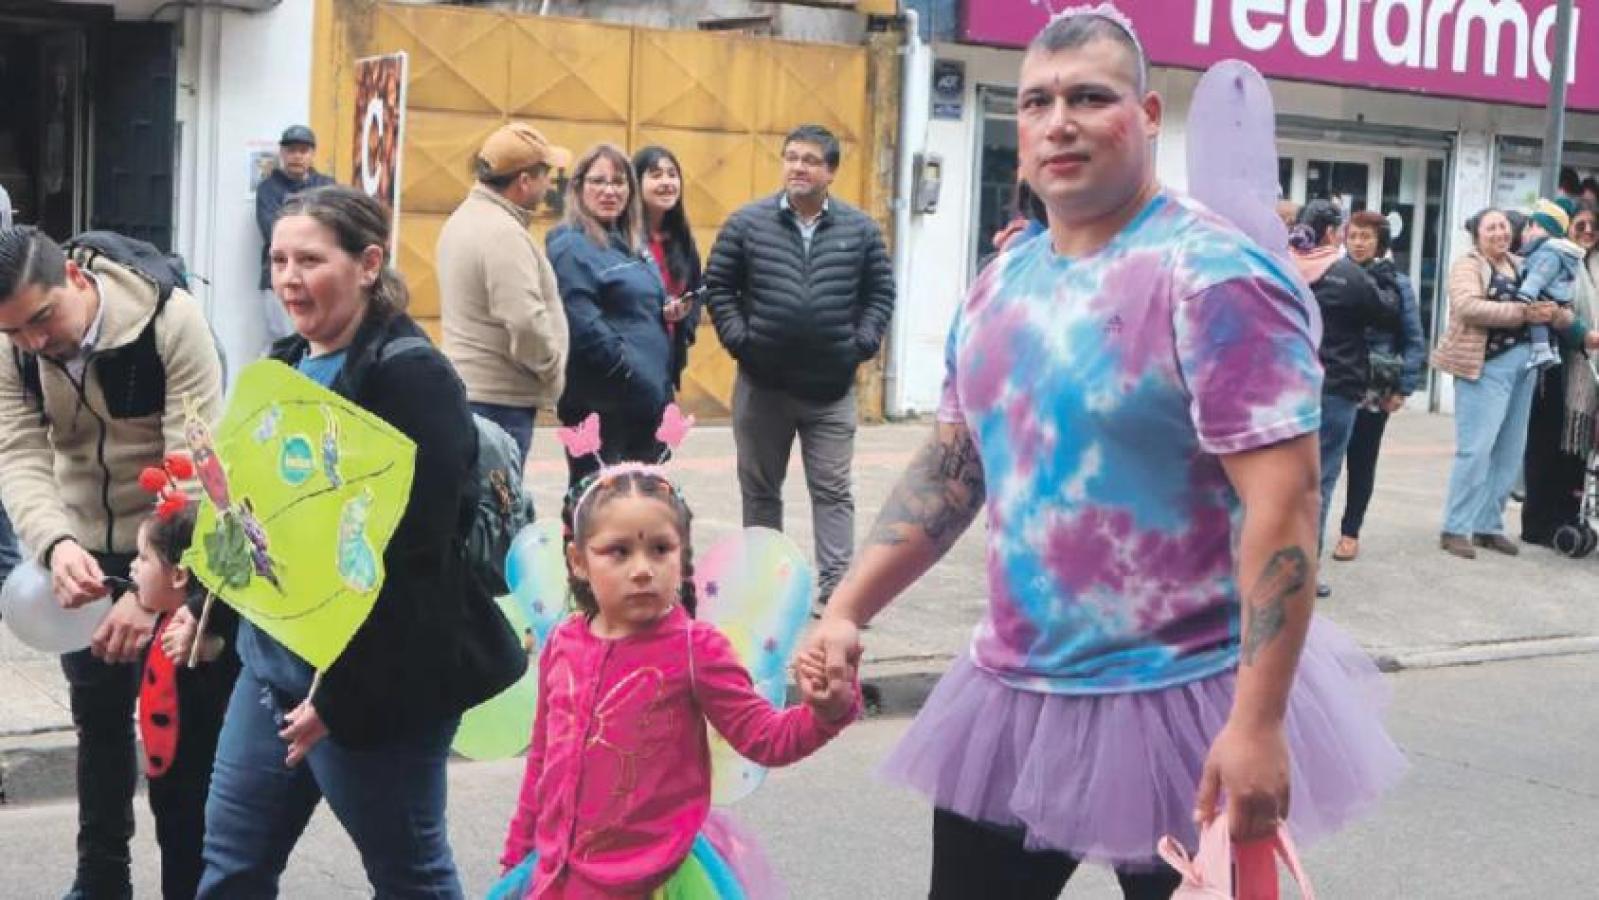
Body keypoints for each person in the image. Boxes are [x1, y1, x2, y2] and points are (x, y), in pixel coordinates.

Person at [803, 10, 1403, 898]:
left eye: (1090, 97)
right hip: (1011, 696)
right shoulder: (999, 285)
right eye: (1036, 102)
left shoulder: (1215, 275)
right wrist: (848, 608)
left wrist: (1257, 721)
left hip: (1186, 700)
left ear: (1148, 114)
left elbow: (1284, 504)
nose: (1059, 123)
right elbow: (952, 468)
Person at [198, 185, 525, 897]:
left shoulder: (411, 377)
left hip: (374, 683)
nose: (289, 278)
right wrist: (203, 598)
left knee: (410, 877)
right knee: (230, 869)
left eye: (310, 260)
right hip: (272, 669)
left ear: (369, 263)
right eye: (279, 260)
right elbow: (258, 519)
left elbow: (418, 560)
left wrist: (342, 699)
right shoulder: (285, 362)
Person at [493, 466, 858, 898]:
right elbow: (542, 762)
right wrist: (517, 857)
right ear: (578, 561)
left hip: (655, 879)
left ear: (682, 557)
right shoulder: (563, 642)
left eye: (660, 549)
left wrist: (827, 712)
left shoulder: (694, 648)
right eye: (618, 552)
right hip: (559, 876)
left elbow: (765, 738)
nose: (642, 569)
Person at [0, 225, 224, 899]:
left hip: (175, 550)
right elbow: (19, 452)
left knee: (179, 739)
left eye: (43, 318)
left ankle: (189, 884)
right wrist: (55, 544)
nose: (35, 342)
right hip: (82, 551)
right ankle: (102, 879)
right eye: (16, 332)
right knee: (98, 725)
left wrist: (152, 593)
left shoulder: (170, 322)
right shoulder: (13, 349)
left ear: (73, 276)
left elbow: (193, 467)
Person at [705, 124, 896, 613]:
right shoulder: (747, 224)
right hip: (762, 385)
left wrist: (860, 344)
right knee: (760, 490)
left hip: (830, 389)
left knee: (832, 490)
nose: (798, 167)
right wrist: (741, 341)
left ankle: (837, 592)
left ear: (831, 171)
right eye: (791, 157)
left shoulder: (860, 230)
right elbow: (719, 286)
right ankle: (765, 588)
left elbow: (880, 293)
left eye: (810, 160)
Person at [1433, 208, 1577, 559]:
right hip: (1484, 368)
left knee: (1510, 452)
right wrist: (1522, 312)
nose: (1499, 232)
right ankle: (1455, 527)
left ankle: (1488, 526)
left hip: (1525, 369)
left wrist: (1555, 314)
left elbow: (1562, 307)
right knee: (1476, 450)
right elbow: (1468, 307)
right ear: (1477, 234)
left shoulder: (1523, 262)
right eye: (1491, 228)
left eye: (1503, 226)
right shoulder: (1468, 265)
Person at [127, 483, 240, 900]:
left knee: (194, 863)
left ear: (179, 574)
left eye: (143, 558)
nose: (133, 567)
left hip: (199, 783)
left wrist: (213, 648)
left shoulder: (203, 635)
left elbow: (232, 660)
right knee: (174, 855)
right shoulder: (161, 617)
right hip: (166, 777)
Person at [438, 122, 573, 466]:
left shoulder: (464, 219)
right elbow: (525, 320)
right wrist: (552, 369)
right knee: (496, 496)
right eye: (545, 175)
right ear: (524, 181)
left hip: (476, 395)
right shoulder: (503, 234)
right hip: (500, 402)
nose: (550, 184)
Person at [1287, 199, 1397, 592]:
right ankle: (1304, 572)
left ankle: (1268, 563)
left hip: (1285, 385)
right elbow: (1387, 311)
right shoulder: (1348, 275)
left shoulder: (1280, 266)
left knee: (1278, 478)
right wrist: (1386, 273)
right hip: (1336, 385)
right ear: (1334, 233)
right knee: (1320, 480)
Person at [548, 144, 673, 488]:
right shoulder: (570, 247)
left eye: (618, 182)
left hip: (645, 405)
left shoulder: (631, 243)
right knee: (598, 501)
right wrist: (628, 369)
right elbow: (581, 321)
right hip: (602, 405)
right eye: (598, 181)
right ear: (578, 187)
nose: (609, 191)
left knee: (642, 504)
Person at [1331, 210, 1427, 562]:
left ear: (1380, 242)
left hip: (1374, 387)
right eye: (1353, 236)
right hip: (1336, 381)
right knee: (1324, 462)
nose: (1358, 243)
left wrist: (1403, 388)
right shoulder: (1334, 274)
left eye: (1366, 237)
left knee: (1362, 460)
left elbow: (1414, 339)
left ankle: (1350, 532)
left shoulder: (1397, 283)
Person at [1523, 200, 1599, 547]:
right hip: (1557, 363)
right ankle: (1538, 523)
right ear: (1567, 227)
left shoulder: (1592, 264)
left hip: (1588, 370)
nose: (1587, 231)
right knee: (1547, 445)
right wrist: (1583, 334)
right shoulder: (1559, 258)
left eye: (1593, 226)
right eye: (1580, 225)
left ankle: (1567, 517)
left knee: (1577, 449)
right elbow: (1548, 304)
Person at [255, 125, 334, 354]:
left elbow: (335, 229)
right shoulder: (268, 189)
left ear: (312, 154)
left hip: (319, 276)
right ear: (282, 153)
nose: (297, 156)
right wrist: (314, 232)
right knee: (282, 339)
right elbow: (272, 232)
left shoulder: (327, 187)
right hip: (279, 277)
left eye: (303, 150)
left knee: (320, 338)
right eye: (291, 150)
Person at [634, 145, 703, 395]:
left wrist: (685, 325)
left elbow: (697, 289)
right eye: (655, 175)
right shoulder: (621, 238)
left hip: (666, 363)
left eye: (672, 175)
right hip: (628, 363)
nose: (666, 182)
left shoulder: (681, 238)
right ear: (635, 183)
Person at [1516, 198, 1586, 370]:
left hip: (1545, 294)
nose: (1529, 231)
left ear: (1546, 229)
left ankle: (1541, 350)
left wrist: (1526, 293)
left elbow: (1538, 275)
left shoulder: (1548, 252)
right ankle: (1553, 351)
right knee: (1548, 322)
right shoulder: (1556, 251)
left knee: (1537, 316)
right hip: (1558, 296)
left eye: (1534, 226)